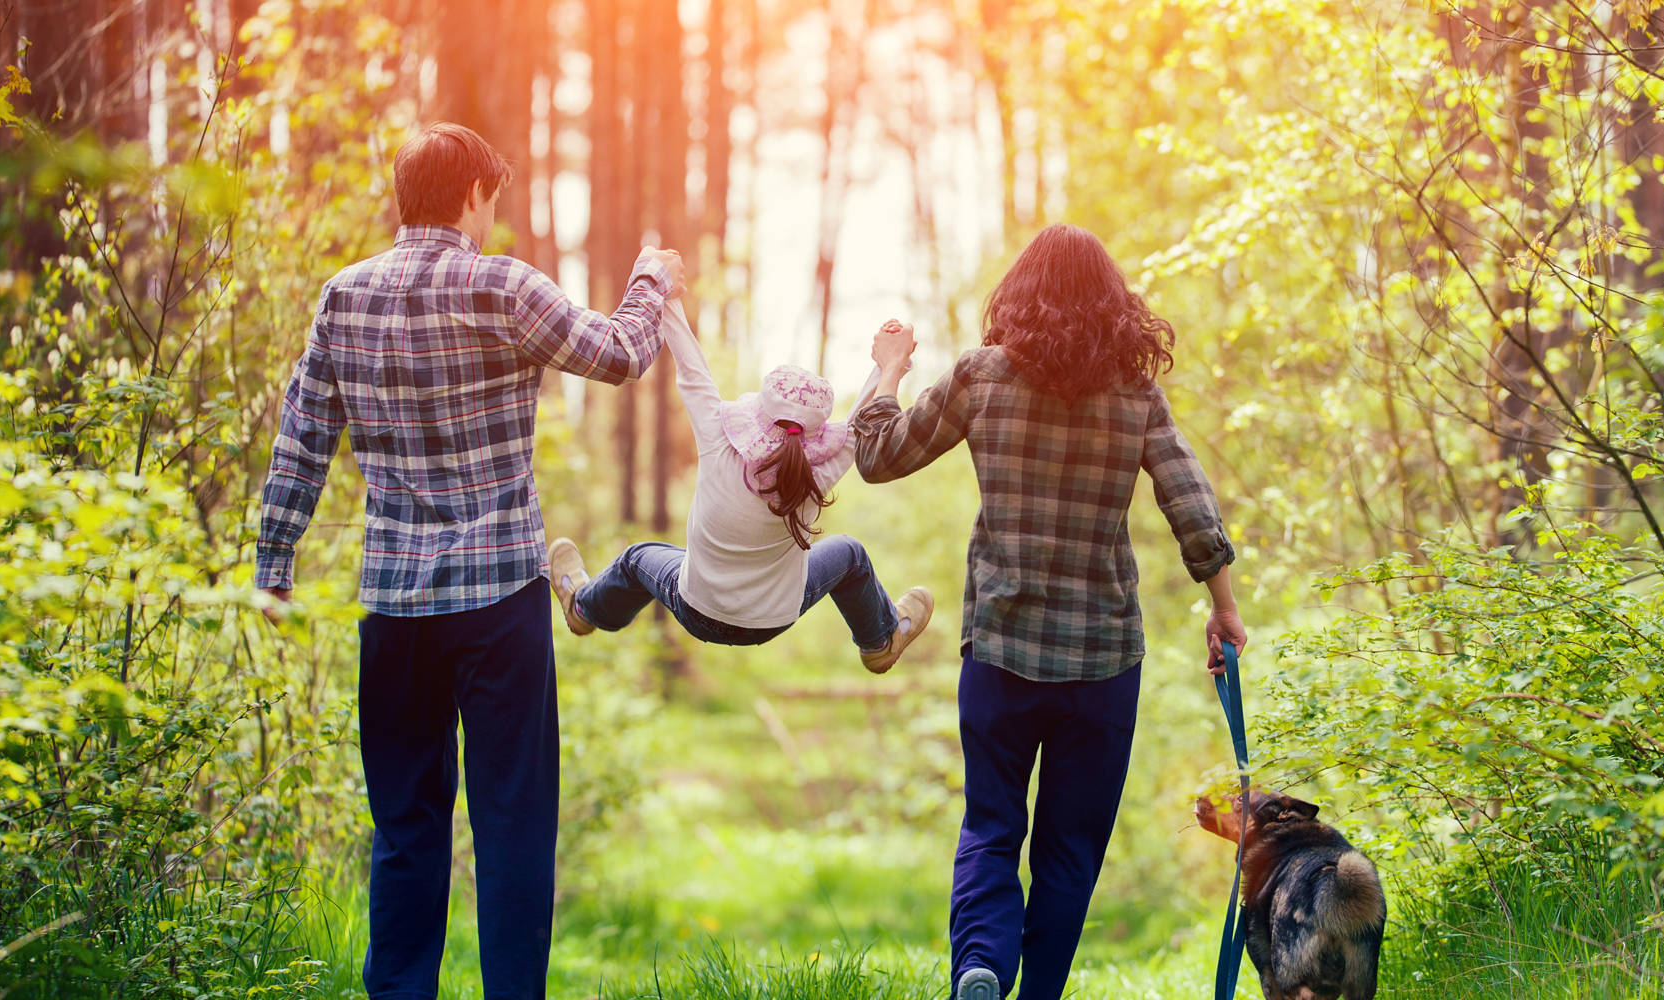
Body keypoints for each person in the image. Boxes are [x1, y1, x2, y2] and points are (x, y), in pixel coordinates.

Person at [253, 122, 685, 1000]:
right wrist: (649, 280)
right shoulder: (501, 285)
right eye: (493, 198)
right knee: (513, 823)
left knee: (406, 827)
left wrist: (274, 561)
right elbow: (619, 354)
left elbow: (303, 438)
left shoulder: (344, 295)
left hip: (395, 608)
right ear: (474, 195)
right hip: (496, 607)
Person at [849, 224, 1248, 1000]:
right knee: (1070, 852)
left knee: (992, 828)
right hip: (1102, 663)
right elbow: (1189, 500)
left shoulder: (981, 376)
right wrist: (1222, 608)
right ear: (1112, 306)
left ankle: (982, 967)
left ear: (1019, 295)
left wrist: (888, 370)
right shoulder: (1135, 396)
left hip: (1001, 651)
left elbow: (876, 455)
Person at [548, 304, 933, 671]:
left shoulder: (717, 439)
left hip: (696, 609)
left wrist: (668, 297)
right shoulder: (819, 471)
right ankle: (880, 642)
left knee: (636, 558)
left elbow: (691, 369)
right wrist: (889, 367)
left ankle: (582, 610)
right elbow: (859, 424)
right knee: (849, 552)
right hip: (774, 620)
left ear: (758, 413)